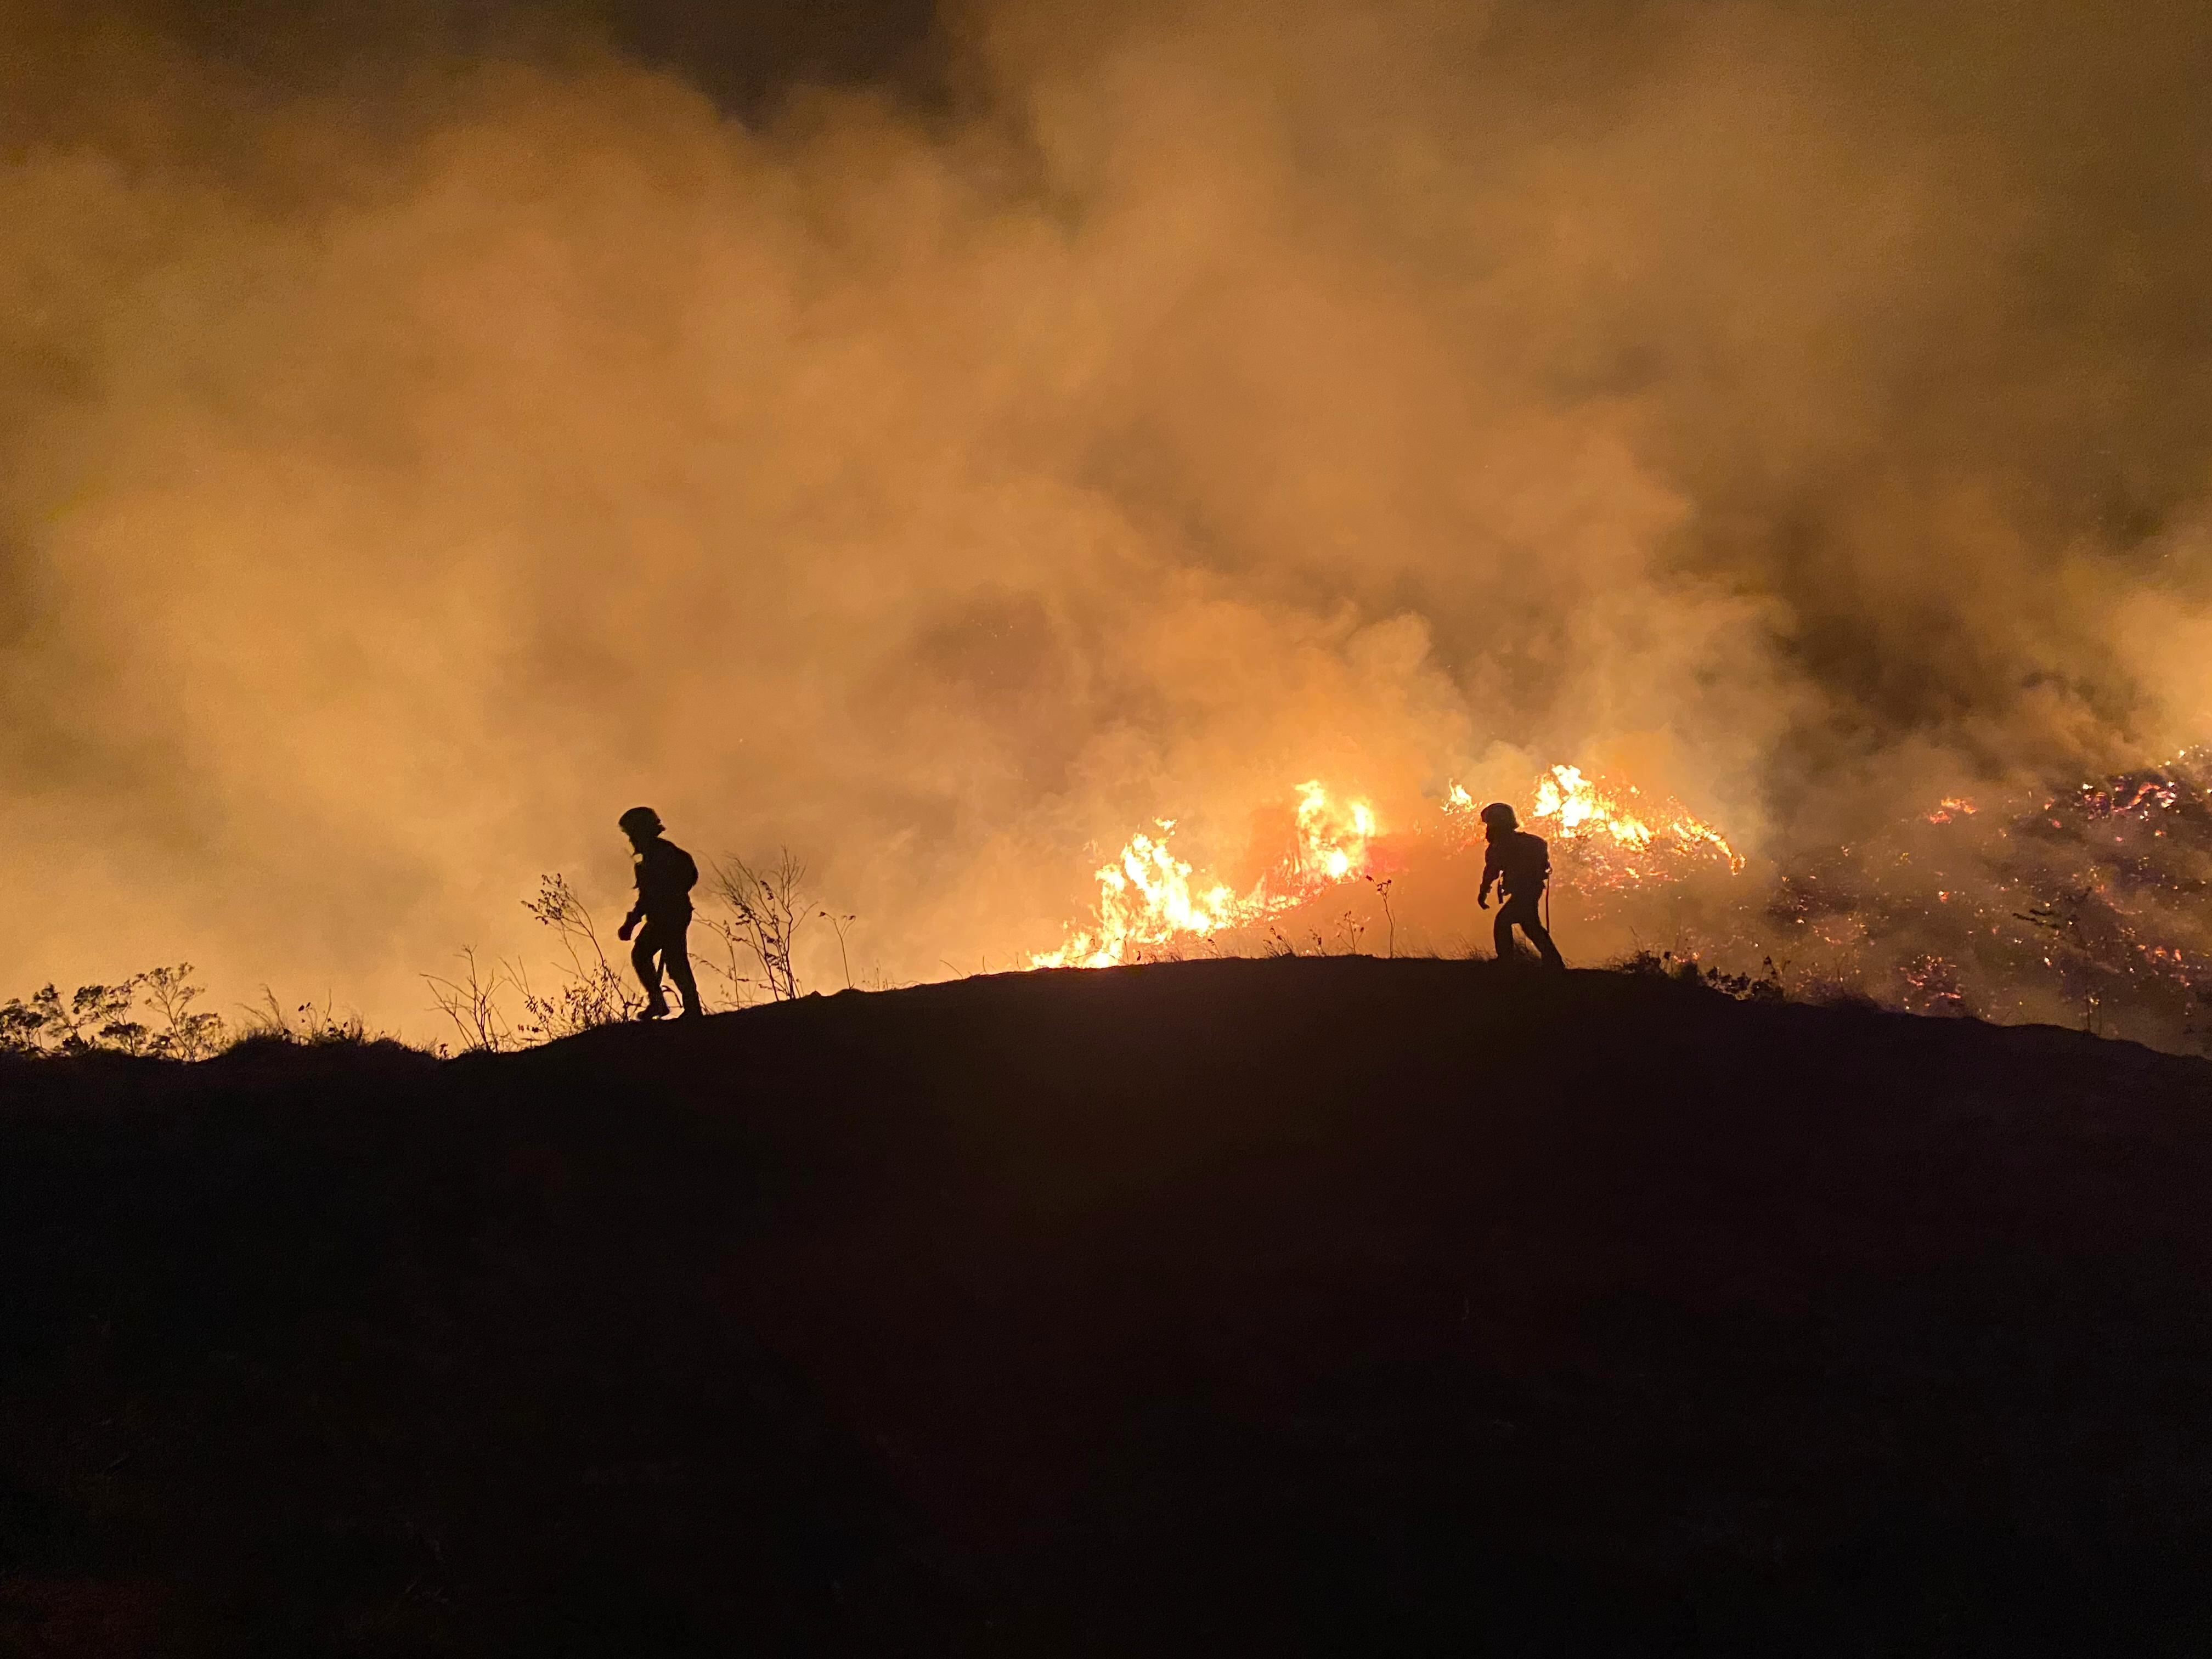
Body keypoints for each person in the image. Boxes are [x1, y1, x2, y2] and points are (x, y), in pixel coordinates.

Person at [616, 806, 703, 1019]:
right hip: (668, 915)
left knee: (672, 960)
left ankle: (686, 1008)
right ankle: (665, 1004)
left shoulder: (659, 856)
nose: (631, 841)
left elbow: (653, 893)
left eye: (632, 835)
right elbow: (647, 895)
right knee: (654, 956)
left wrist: (634, 921)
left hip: (671, 915)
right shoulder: (655, 856)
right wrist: (635, 919)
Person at [1476, 802, 1566, 970]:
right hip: (1532, 890)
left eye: (1489, 825)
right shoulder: (1528, 843)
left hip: (1524, 892)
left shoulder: (1500, 847)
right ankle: (1554, 961)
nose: (1487, 830)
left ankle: (1506, 961)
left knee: (1503, 922)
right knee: (1531, 925)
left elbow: (1492, 871)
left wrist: (1483, 893)